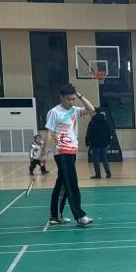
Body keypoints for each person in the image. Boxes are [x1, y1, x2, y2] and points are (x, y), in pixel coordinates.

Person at [40, 84, 95, 226]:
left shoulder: (75, 110)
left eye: (73, 99)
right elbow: (49, 134)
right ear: (61, 98)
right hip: (62, 152)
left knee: (63, 184)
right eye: (68, 99)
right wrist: (44, 153)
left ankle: (55, 216)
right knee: (71, 184)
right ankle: (80, 216)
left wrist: (80, 96)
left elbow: (91, 110)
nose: (71, 102)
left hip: (72, 151)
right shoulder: (54, 112)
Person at [85, 111, 112, 179]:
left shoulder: (92, 122)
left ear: (95, 113)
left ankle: (98, 174)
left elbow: (89, 133)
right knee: (104, 158)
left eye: (91, 113)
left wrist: (87, 143)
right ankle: (108, 172)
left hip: (95, 143)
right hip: (104, 143)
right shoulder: (105, 122)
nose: (90, 114)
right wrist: (108, 142)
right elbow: (108, 132)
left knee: (96, 159)